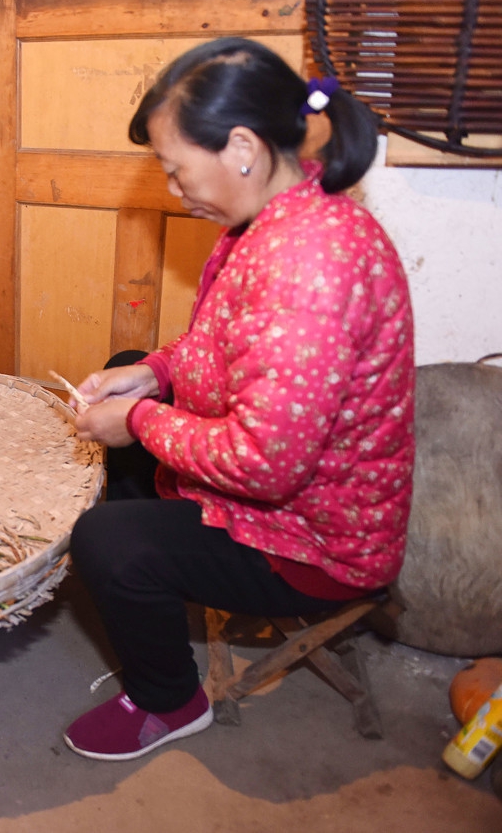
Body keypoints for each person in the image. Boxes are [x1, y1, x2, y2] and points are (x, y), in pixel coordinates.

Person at [61, 37, 415, 761]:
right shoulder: (274, 213)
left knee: (104, 542)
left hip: (318, 539)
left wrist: (137, 418)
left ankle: (170, 699)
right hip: (293, 481)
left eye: (175, 169)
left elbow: (265, 465)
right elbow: (222, 345)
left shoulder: (307, 262)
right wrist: (154, 375)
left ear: (243, 148)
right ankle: (158, 557)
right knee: (127, 367)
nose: (172, 189)